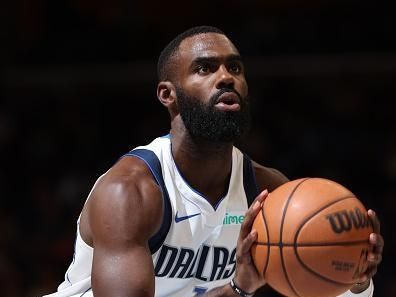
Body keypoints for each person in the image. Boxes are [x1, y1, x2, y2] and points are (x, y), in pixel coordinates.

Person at [43, 26, 384, 297]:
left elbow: (326, 288)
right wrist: (238, 288)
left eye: (234, 67)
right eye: (205, 68)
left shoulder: (265, 191)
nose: (226, 77)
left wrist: (353, 277)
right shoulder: (130, 191)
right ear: (167, 94)